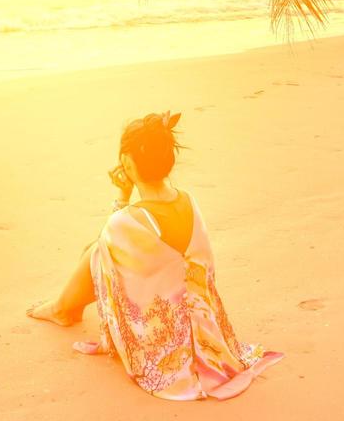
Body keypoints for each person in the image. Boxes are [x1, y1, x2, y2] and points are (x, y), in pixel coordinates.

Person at [27, 111, 283, 400]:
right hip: (202, 324)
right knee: (103, 246)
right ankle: (63, 307)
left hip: (165, 338)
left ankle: (61, 308)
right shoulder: (188, 201)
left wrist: (123, 196)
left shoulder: (131, 220)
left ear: (126, 164)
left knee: (97, 249)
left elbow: (107, 245)